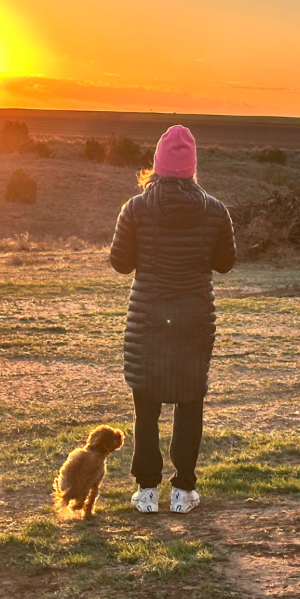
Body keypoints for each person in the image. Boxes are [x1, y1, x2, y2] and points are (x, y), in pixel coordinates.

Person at [110, 125, 236, 514]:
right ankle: (183, 490)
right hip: (194, 319)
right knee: (189, 401)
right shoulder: (215, 210)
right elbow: (225, 264)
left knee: (145, 404)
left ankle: (147, 490)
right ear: (192, 169)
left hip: (147, 319)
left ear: (157, 166)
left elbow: (120, 263)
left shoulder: (135, 208)